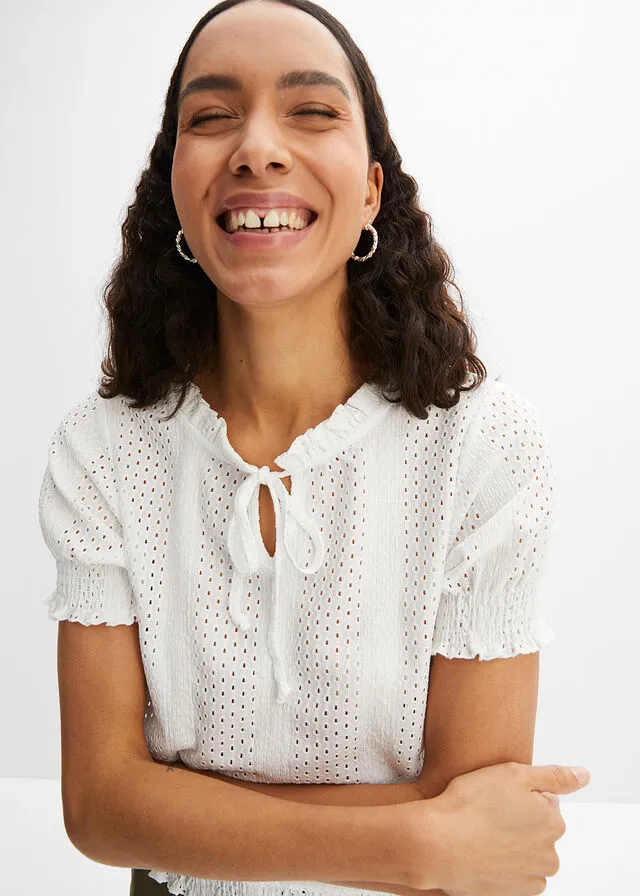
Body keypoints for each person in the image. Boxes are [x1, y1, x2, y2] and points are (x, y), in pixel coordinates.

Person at [38, 1, 589, 895]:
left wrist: (176, 805)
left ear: (371, 189)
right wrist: (417, 841)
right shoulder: (99, 453)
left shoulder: (489, 449)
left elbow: (475, 809)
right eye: (211, 117)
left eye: (312, 111)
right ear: (174, 185)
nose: (257, 147)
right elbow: (99, 809)